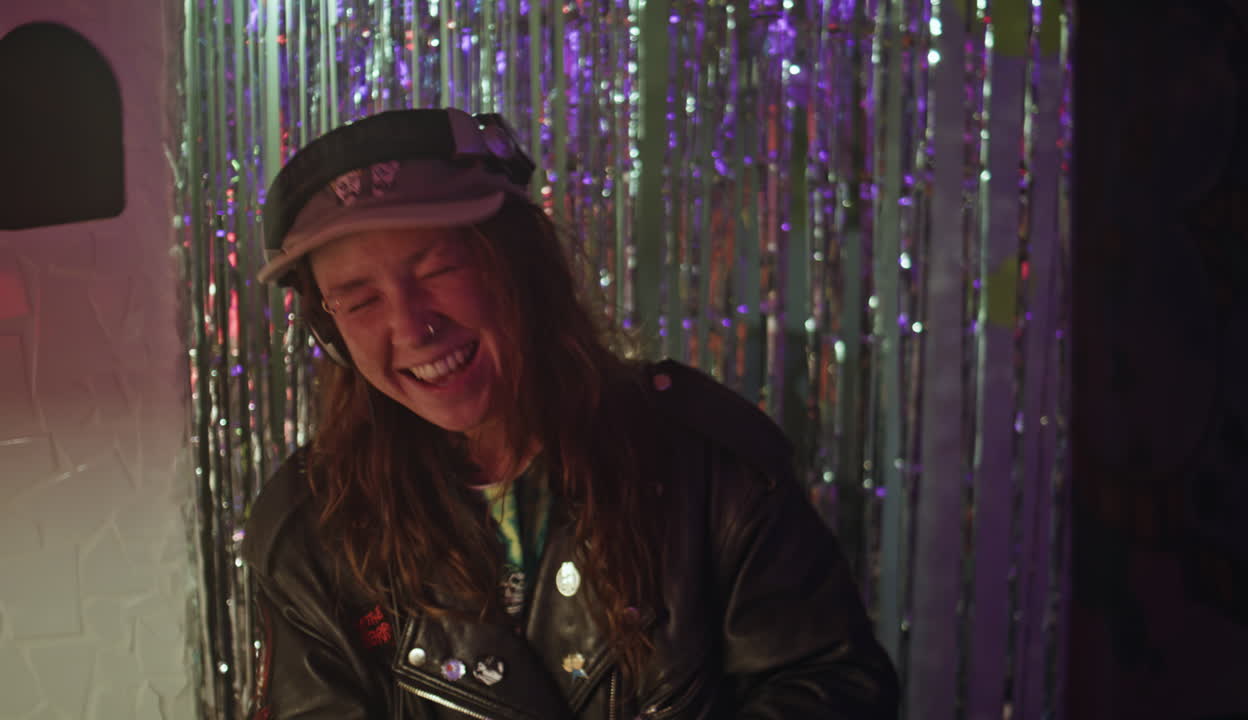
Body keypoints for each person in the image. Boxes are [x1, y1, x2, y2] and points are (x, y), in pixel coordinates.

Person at [243, 107, 899, 720]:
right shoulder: (309, 531)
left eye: (438, 268)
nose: (411, 327)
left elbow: (833, 689)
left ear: (519, 265)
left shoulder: (709, 463)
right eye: (358, 301)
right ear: (328, 333)